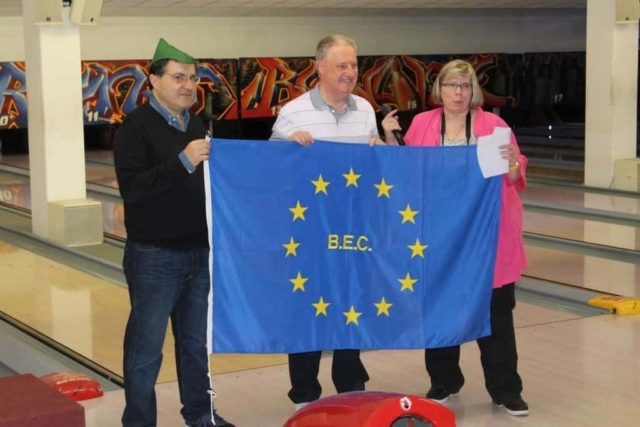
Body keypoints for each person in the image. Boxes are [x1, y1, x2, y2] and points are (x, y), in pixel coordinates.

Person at [382, 59, 529, 417]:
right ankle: (444, 381)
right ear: (440, 90)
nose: (458, 93)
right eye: (451, 85)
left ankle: (506, 389)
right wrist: (389, 136)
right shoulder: (423, 123)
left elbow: (513, 176)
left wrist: (513, 163)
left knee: (496, 315)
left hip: (487, 237)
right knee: (440, 310)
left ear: (473, 91)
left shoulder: (494, 125)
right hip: (438, 237)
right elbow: (405, 172)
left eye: (465, 86)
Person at [114, 38, 234, 427]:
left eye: (193, 78)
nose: (188, 85)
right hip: (154, 255)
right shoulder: (135, 128)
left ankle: (200, 415)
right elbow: (133, 190)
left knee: (195, 344)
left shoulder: (195, 123)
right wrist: (183, 161)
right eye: (179, 77)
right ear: (154, 80)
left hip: (199, 253)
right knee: (146, 350)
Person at [270, 34, 385, 410]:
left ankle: (350, 382)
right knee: (307, 306)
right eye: (342, 65)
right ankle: (304, 392)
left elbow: (374, 167)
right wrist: (288, 147)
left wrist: (380, 152)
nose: (350, 72)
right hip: (309, 233)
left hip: (354, 228)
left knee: (351, 303)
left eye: (354, 65)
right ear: (320, 67)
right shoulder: (294, 112)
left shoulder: (365, 110)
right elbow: (270, 168)